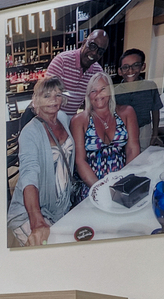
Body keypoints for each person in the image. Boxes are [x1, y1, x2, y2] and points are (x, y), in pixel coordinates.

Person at [8, 50, 82, 244]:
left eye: (58, 95)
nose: (53, 100)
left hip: (61, 206)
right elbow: (28, 175)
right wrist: (36, 219)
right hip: (31, 210)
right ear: (37, 100)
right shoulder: (30, 132)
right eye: (47, 95)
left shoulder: (64, 120)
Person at [70, 68, 140, 195]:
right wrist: (100, 189)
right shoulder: (79, 121)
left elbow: (133, 149)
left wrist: (123, 183)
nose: (98, 94)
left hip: (123, 181)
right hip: (92, 185)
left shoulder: (127, 112)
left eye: (103, 89)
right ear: (88, 95)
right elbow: (80, 161)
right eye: (93, 91)